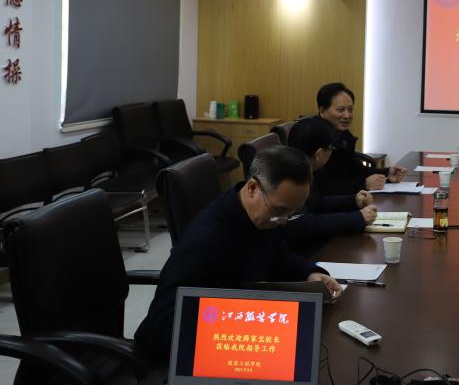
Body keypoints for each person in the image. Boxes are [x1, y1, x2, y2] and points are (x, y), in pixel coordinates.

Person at [134, 146, 342, 363]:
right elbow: (162, 325)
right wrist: (242, 324)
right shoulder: (206, 241)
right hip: (182, 355)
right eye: (280, 210)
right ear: (252, 188)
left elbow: (277, 255)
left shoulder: (259, 214)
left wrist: (309, 274)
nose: (284, 221)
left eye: (294, 212)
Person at [282, 115, 378, 256]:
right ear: (319, 154)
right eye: (330, 149)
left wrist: (353, 200)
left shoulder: (302, 168)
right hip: (302, 252)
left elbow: (316, 203)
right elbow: (303, 223)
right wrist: (357, 218)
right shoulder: (290, 178)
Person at [315, 82, 406, 194]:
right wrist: (363, 184)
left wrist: (387, 173)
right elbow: (322, 185)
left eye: (350, 110)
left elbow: (357, 169)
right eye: (341, 110)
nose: (347, 116)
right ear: (322, 111)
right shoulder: (315, 138)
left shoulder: (343, 135)